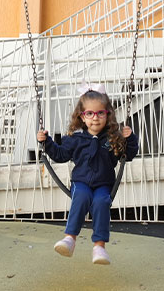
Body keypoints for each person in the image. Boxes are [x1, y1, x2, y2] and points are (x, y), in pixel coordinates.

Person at [37, 84, 139, 265]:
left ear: (108, 115)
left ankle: (99, 247)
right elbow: (60, 155)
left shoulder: (113, 138)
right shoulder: (75, 139)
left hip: (103, 184)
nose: (95, 118)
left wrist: (129, 138)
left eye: (100, 113)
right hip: (81, 182)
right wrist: (47, 143)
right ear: (82, 117)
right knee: (82, 197)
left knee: (102, 202)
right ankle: (70, 239)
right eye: (90, 113)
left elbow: (128, 155)